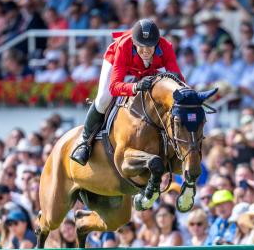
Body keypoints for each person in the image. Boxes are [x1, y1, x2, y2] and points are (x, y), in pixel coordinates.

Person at [70, 19, 184, 166]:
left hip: (149, 69)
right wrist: (135, 87)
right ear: (134, 43)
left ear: (156, 43)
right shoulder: (124, 46)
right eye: (141, 46)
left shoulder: (166, 47)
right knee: (104, 97)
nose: (145, 51)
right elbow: (115, 87)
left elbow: (178, 78)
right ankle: (84, 141)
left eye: (150, 46)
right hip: (121, 62)